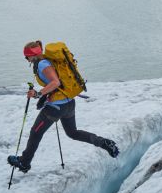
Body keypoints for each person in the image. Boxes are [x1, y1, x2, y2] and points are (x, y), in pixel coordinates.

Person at [8, 40, 119, 173]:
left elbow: (55, 82)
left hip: (55, 108)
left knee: (35, 133)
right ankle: (104, 143)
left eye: (26, 56)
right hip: (68, 104)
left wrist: (38, 94)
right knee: (73, 133)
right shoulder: (47, 61)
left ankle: (24, 162)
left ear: (32, 55)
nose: (26, 59)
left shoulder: (43, 64)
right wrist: (44, 95)